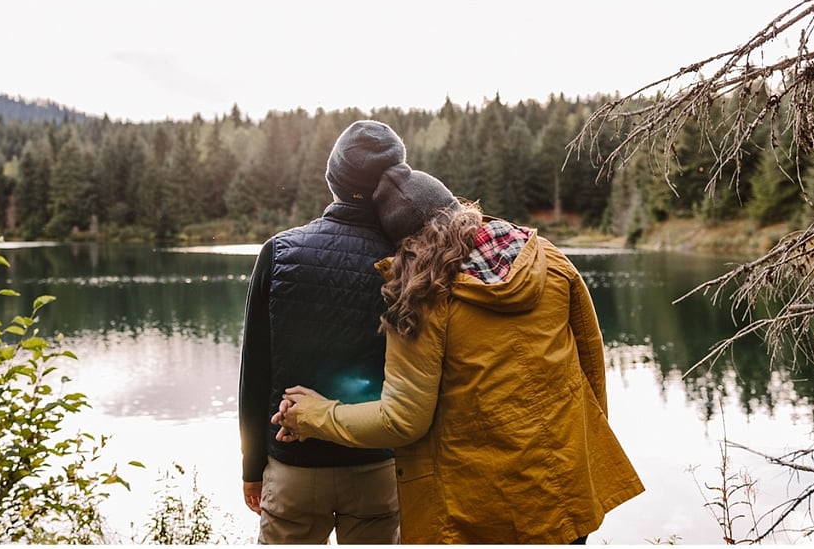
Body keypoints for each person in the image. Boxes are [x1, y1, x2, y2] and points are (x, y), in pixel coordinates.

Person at [272, 163, 645, 544]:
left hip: (483, 506)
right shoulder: (545, 255)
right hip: (563, 484)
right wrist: (583, 455)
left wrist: (315, 415)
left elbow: (402, 419)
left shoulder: (421, 296)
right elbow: (590, 363)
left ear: (404, 242)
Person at [238, 120, 403, 544]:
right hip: (377, 465)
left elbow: (255, 370)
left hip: (294, 465)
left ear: (332, 178)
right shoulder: (410, 261)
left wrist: (252, 467)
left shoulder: (279, 252)